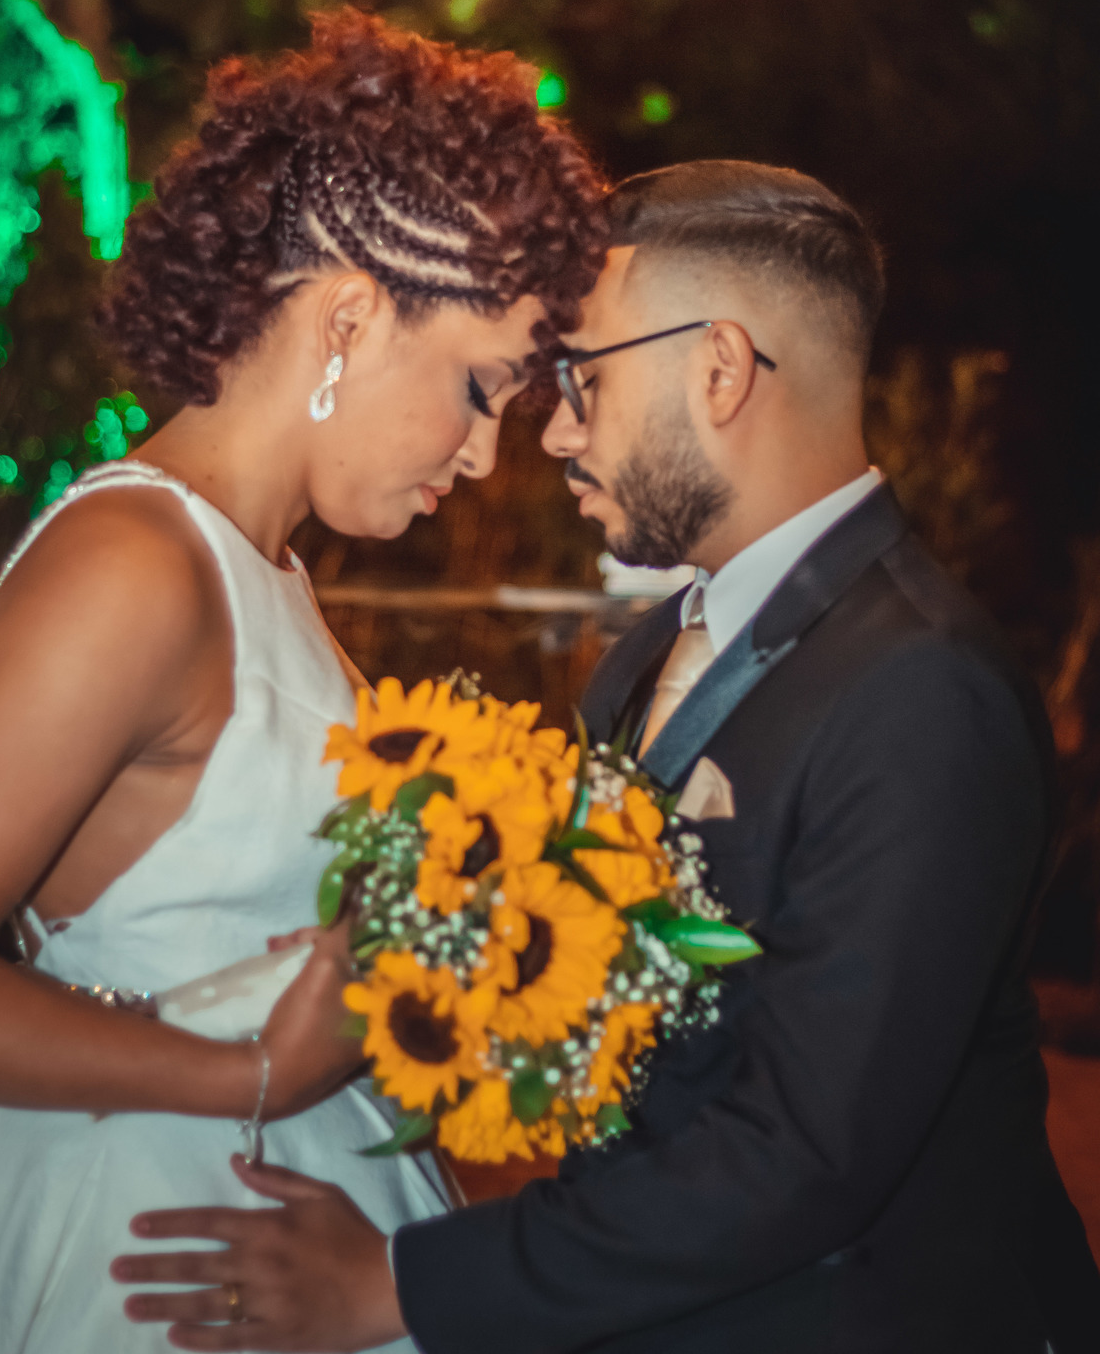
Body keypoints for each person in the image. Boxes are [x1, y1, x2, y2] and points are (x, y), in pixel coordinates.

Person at [115, 159, 1100, 1354]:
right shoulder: (643, 660)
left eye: (583, 379)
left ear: (720, 370)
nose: (556, 433)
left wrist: (398, 1287)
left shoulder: (924, 689)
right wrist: (397, 963)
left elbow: (805, 1149)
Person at [0, 9, 607, 1353]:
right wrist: (246, 1071)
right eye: (481, 388)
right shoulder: (134, 566)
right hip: (135, 1244)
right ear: (350, 316)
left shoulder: (261, 570)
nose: (482, 457)